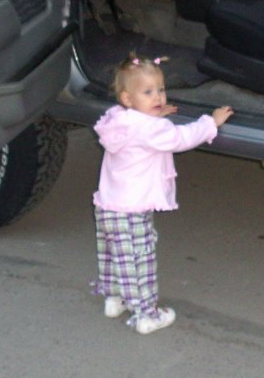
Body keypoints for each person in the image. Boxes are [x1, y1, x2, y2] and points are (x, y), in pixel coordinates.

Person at [91, 54, 234, 334]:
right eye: (148, 92)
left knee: (115, 255)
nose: (157, 96)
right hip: (133, 211)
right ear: (128, 98)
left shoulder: (118, 119)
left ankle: (114, 299)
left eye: (160, 89)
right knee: (140, 261)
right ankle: (146, 315)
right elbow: (181, 138)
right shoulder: (153, 129)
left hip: (108, 206)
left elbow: (140, 127)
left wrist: (153, 113)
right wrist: (211, 123)